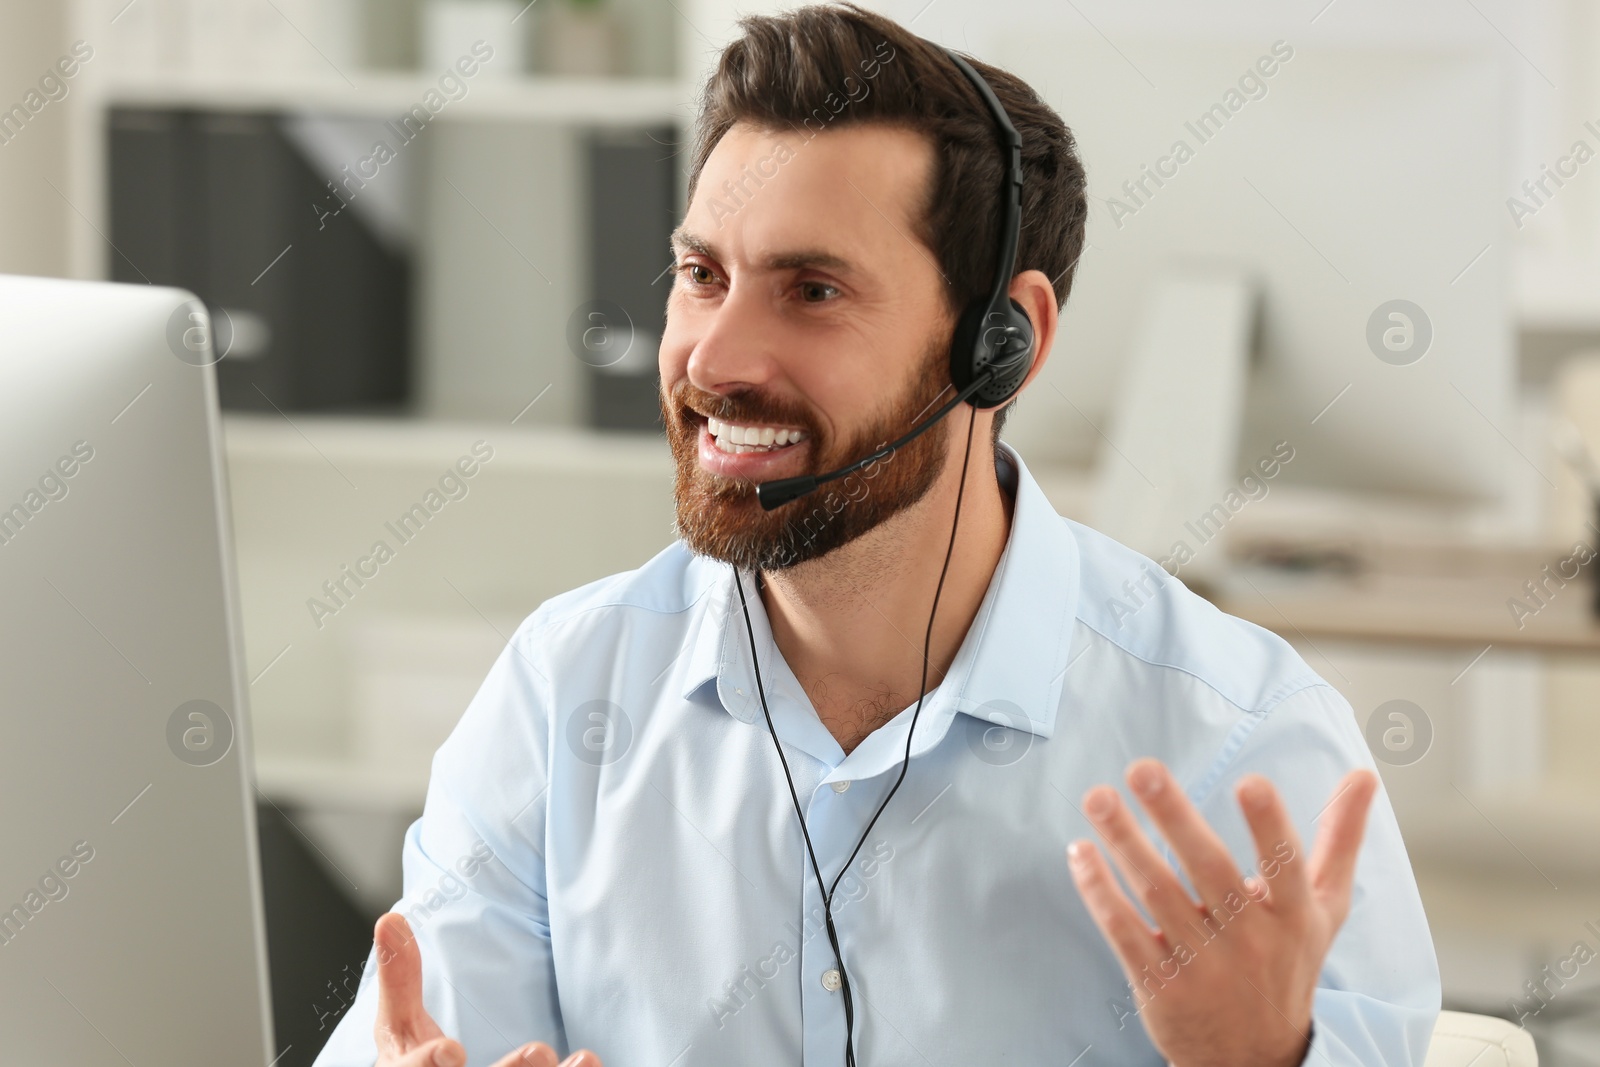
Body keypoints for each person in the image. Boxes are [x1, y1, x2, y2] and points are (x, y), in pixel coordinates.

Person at [313, 5, 1440, 1066]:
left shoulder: (1241, 738)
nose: (714, 360)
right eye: (701, 276)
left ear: (1001, 343)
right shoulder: (566, 693)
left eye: (811, 290)